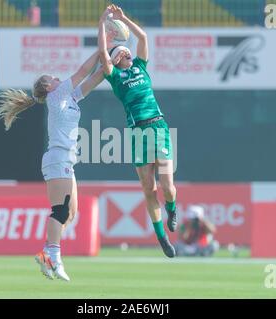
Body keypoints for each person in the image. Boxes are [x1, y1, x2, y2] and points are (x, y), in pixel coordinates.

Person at [0, 51, 104, 281]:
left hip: (66, 160)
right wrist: (102, 39)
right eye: (54, 78)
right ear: (48, 86)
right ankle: (54, 255)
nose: (58, 79)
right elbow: (84, 72)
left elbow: (95, 78)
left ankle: (46, 254)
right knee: (60, 210)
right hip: (58, 158)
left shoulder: (70, 98)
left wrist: (112, 55)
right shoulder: (56, 97)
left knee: (71, 214)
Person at [98, 5, 178, 258]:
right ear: (116, 59)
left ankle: (172, 209)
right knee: (148, 188)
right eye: (122, 51)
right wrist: (102, 24)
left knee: (167, 185)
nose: (127, 52)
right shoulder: (115, 77)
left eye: (127, 50)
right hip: (139, 133)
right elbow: (102, 52)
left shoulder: (141, 67)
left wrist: (123, 19)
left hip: (158, 126)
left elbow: (143, 37)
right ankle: (162, 238)